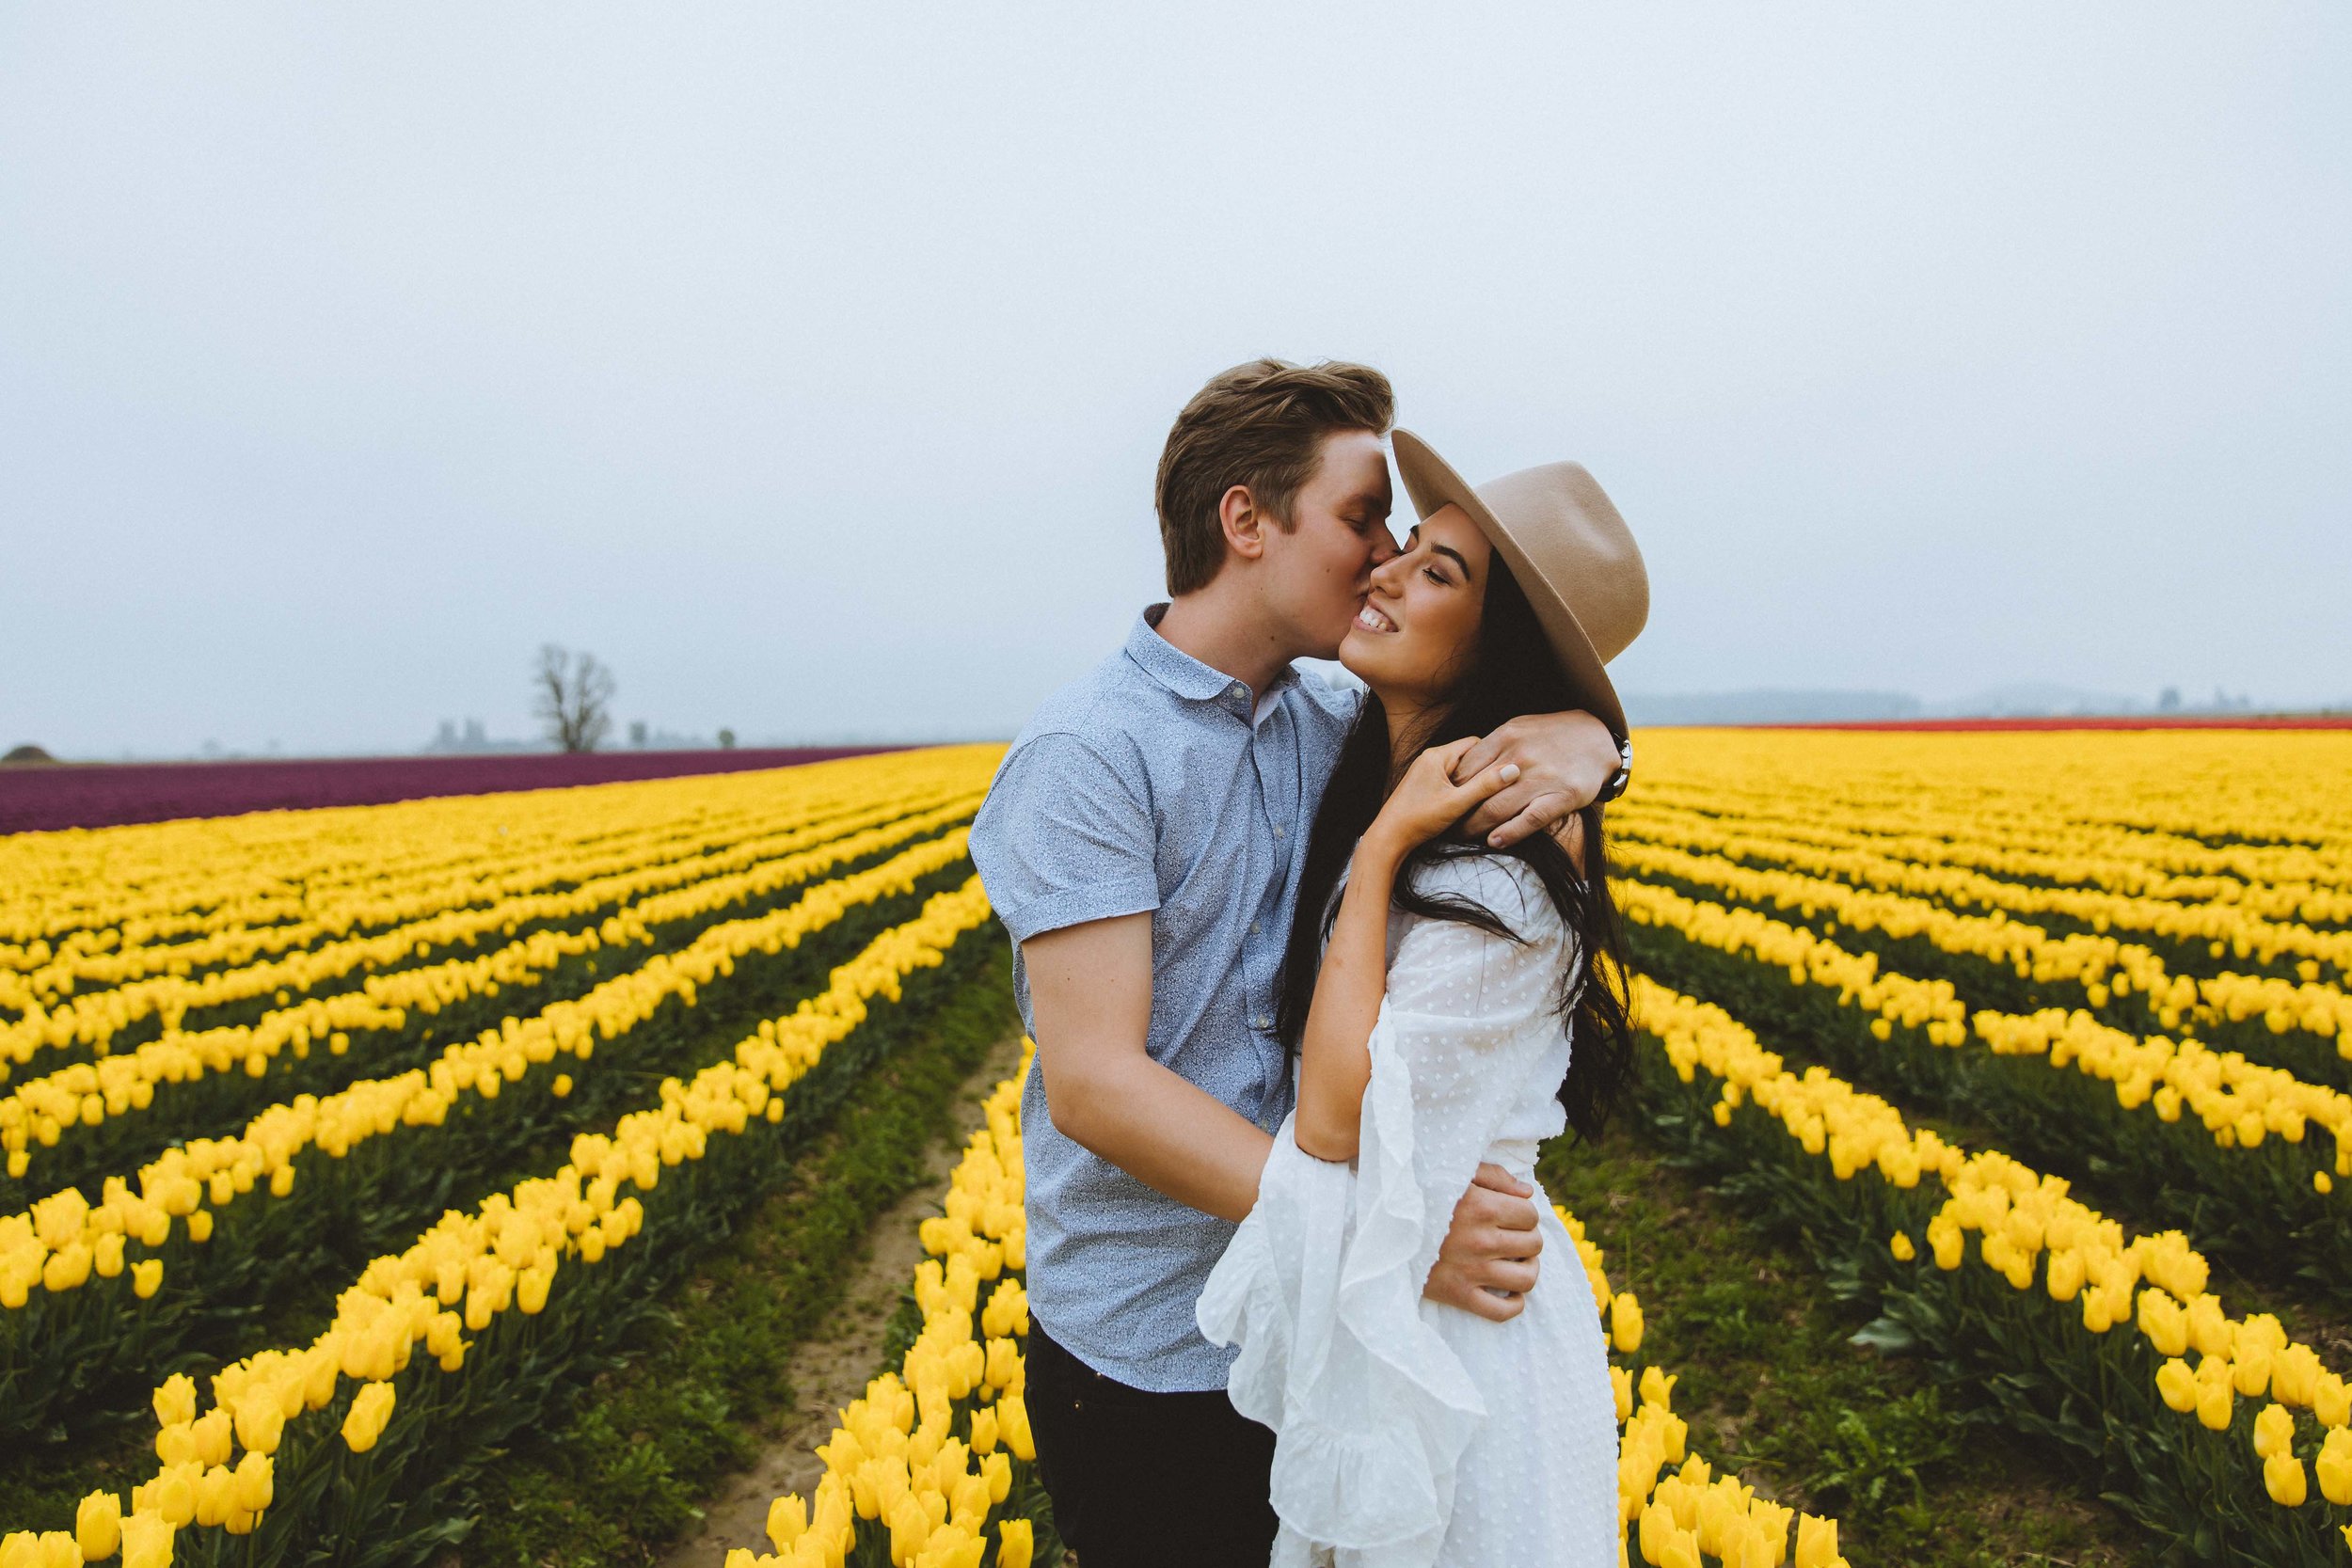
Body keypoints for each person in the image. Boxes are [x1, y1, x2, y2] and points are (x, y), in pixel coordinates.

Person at [969, 360, 1631, 1567]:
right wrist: (1392, 1226)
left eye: (1400, 535)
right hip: (1157, 1342)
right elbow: (1098, 1086)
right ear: (1245, 522)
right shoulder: (1089, 756)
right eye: (1360, 514)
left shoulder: (1334, 719)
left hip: (1329, 1330)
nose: (1380, 553)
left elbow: (1512, 691)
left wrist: (1596, 743)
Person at [1195, 429, 1645, 1566]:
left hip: (1464, 1353)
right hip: (1392, 1307)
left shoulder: (1502, 877)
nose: (1385, 568)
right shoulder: (1352, 769)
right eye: (1403, 546)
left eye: (1436, 571)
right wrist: (1594, 742)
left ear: (1496, 653)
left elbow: (1337, 1121)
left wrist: (1393, 842)